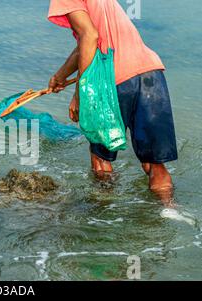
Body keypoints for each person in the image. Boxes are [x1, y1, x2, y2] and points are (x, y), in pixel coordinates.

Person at [46, 0, 178, 205]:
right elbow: (86, 42)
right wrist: (60, 76)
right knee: (154, 164)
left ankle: (103, 217)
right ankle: (170, 211)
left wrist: (80, 93)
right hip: (150, 73)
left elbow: (90, 36)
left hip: (113, 80)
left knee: (101, 159)